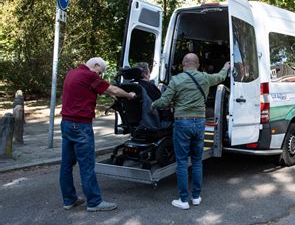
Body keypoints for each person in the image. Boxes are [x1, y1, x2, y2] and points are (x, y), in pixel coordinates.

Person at [151, 53, 230, 210]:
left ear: (183, 64)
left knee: (181, 162)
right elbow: (221, 77)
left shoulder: (176, 80)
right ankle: (196, 197)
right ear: (198, 64)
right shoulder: (205, 78)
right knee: (197, 160)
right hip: (200, 122)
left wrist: (152, 105)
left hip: (182, 122)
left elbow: (164, 101)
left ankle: (183, 199)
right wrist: (226, 67)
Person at [60, 57, 136, 212]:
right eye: (99, 72)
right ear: (94, 65)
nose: (99, 75)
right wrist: (129, 95)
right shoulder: (90, 75)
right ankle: (94, 202)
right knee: (87, 164)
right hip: (80, 125)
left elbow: (89, 90)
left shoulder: (72, 73)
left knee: (66, 164)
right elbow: (112, 89)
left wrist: (108, 93)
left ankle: (69, 200)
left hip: (66, 123)